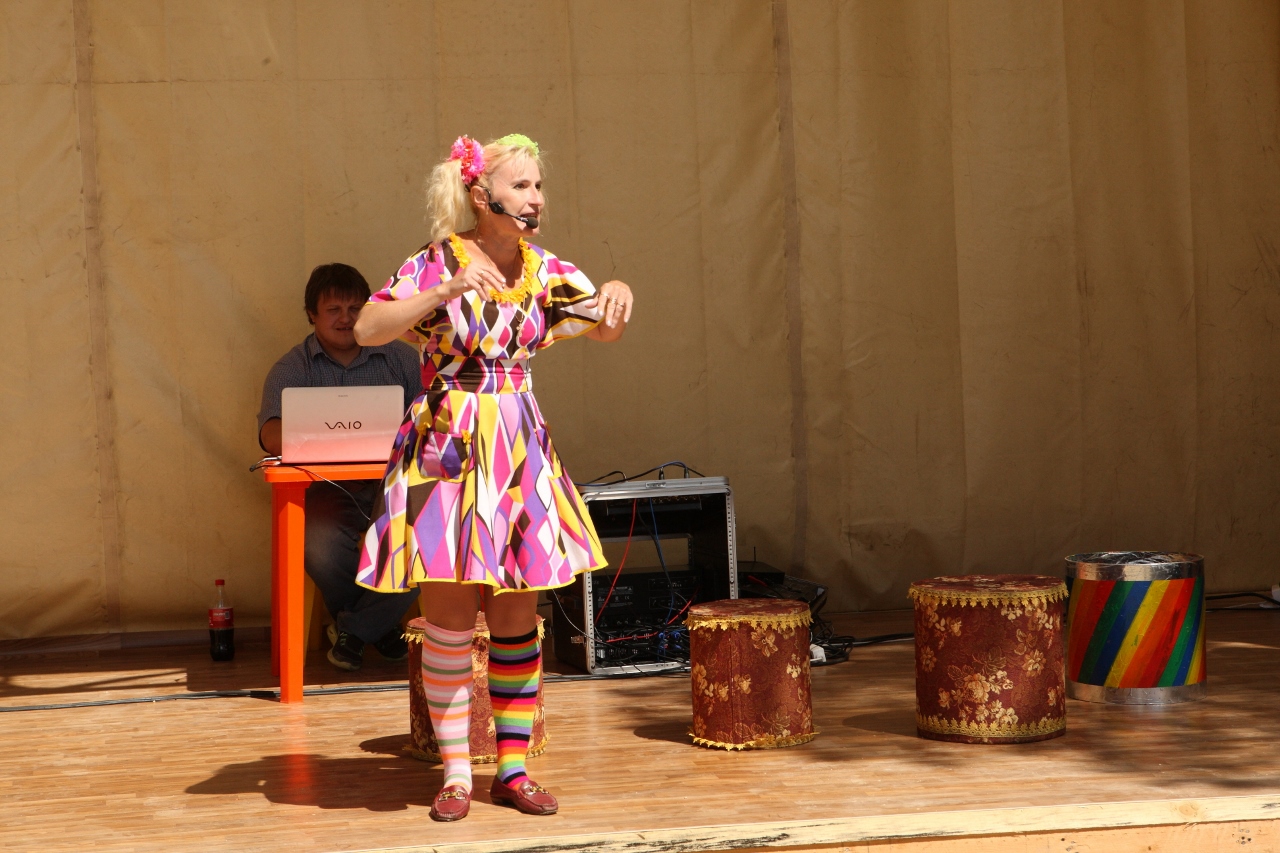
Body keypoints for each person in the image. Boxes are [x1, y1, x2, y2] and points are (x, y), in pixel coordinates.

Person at [353, 134, 633, 821]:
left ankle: (512, 769)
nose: (536, 199)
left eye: (539, 186)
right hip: (446, 444)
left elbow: (602, 328)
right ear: (482, 195)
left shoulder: (546, 270)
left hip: (517, 448)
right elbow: (366, 327)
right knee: (449, 620)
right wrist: (444, 289)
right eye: (522, 186)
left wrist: (616, 295)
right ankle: (455, 774)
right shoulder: (437, 260)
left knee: (515, 617)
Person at [257, 263, 423, 671]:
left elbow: (433, 418)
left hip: (396, 485)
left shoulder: (403, 359)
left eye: (355, 308)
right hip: (327, 488)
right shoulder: (292, 368)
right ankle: (378, 627)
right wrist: (316, 432)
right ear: (311, 315)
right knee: (318, 543)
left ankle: (354, 630)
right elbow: (269, 435)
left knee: (428, 536)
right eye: (333, 310)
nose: (345, 319)